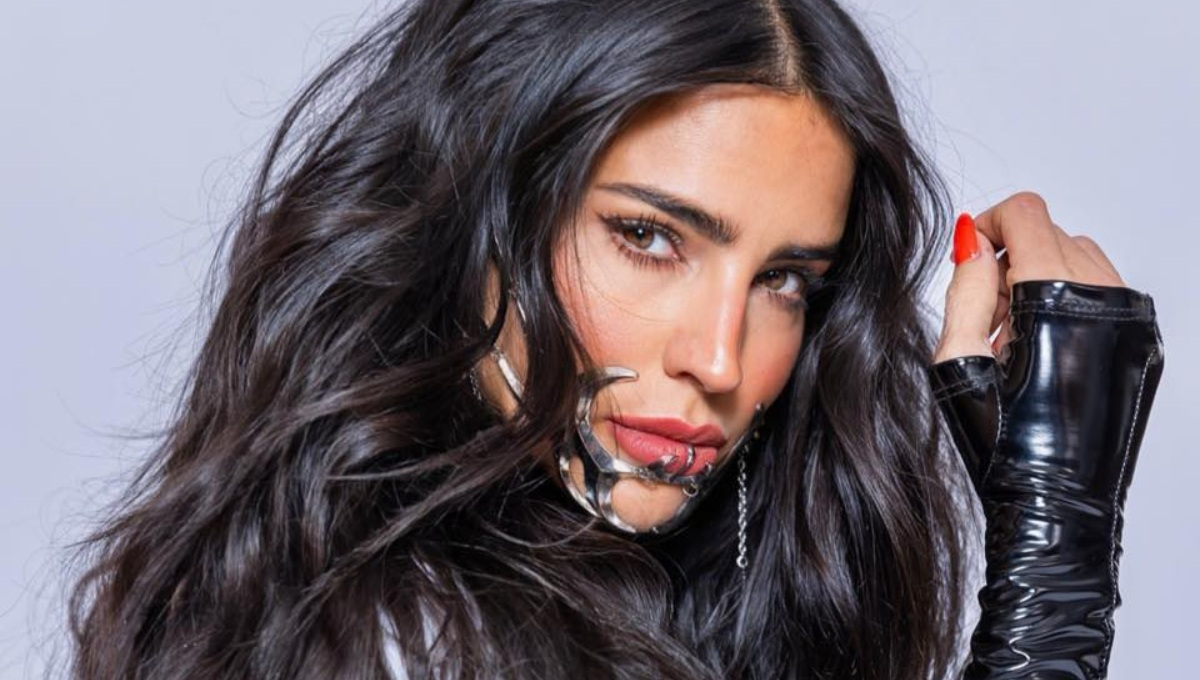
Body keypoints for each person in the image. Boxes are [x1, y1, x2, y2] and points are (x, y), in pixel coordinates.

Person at [68, 0, 1164, 678]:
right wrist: (1054, 562)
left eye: (785, 280)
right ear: (470, 215)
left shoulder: (645, 597)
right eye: (647, 237)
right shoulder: (397, 638)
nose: (721, 360)